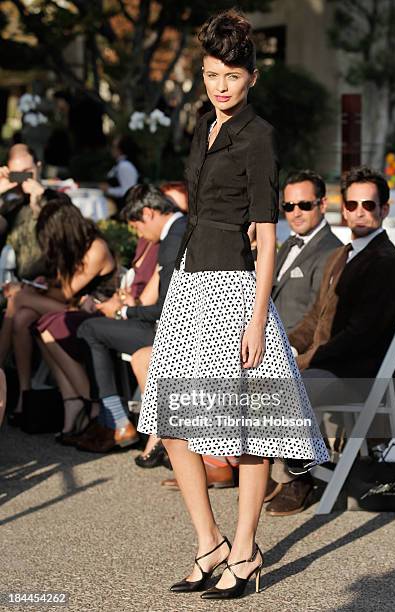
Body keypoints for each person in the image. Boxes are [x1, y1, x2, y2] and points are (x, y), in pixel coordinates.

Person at [136, 10, 328, 600]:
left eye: (232, 76)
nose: (220, 85)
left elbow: (267, 235)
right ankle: (209, 543)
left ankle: (245, 551)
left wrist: (255, 313)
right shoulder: (203, 125)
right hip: (192, 280)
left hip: (238, 289)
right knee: (172, 422)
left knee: (249, 427)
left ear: (252, 79)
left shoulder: (261, 134)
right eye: (211, 74)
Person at [265, 166, 395, 517]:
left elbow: (361, 335)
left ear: (384, 210)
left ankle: (301, 477)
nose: (360, 211)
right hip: (332, 365)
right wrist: (283, 348)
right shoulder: (342, 255)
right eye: (352, 204)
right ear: (342, 209)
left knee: (281, 389)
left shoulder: (385, 262)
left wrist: (303, 361)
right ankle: (285, 469)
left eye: (369, 205)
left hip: (359, 376)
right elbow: (314, 318)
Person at [74, 184, 187, 453]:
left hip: (176, 332)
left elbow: (167, 307)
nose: (140, 234)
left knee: (90, 328)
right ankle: (115, 418)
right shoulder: (180, 229)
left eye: (137, 227)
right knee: (92, 328)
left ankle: (116, 419)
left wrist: (124, 312)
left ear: (148, 213)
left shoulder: (173, 237)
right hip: (171, 325)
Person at [5, 198, 116, 428]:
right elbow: (62, 287)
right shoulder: (73, 247)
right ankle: (28, 392)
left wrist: (35, 290)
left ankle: (22, 394)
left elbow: (67, 292)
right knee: (23, 316)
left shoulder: (96, 248)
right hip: (73, 308)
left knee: (19, 298)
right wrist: (44, 283)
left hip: (97, 311)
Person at [272, 170, 342, 331]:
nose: (296, 213)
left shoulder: (332, 251)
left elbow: (317, 317)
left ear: (323, 204)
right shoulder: (288, 242)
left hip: (294, 347)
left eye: (305, 205)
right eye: (288, 207)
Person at [0, 144, 56, 277]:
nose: (24, 178)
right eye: (17, 174)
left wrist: (39, 202)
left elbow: (60, 236)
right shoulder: (10, 205)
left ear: (39, 166)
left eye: (27, 171)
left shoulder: (56, 199)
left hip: (49, 278)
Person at [100, 135, 139, 210]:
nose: (111, 149)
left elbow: (127, 191)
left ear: (120, 149)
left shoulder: (125, 166)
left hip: (123, 208)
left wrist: (108, 190)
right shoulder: (120, 164)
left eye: (114, 147)